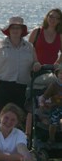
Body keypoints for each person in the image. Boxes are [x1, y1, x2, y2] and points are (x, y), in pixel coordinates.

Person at [0, 16, 40, 118]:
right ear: (9, 30)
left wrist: (36, 65)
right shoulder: (0, 45)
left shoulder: (29, 47)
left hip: (22, 88)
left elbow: (35, 62)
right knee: (0, 118)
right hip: (2, 86)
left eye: (18, 28)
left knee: (20, 118)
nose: (15, 30)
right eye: (13, 28)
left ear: (22, 30)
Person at [25, 8, 62, 137]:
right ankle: (28, 134)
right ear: (47, 17)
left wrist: (57, 63)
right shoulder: (37, 31)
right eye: (51, 16)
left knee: (52, 99)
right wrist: (35, 62)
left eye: (57, 18)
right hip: (35, 70)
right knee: (32, 103)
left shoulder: (59, 35)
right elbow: (28, 49)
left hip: (50, 71)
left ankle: (51, 129)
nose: (53, 20)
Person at [38, 63, 62, 145]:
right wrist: (42, 101)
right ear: (57, 75)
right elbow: (45, 96)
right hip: (56, 106)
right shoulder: (54, 85)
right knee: (53, 122)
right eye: (61, 73)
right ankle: (51, 138)